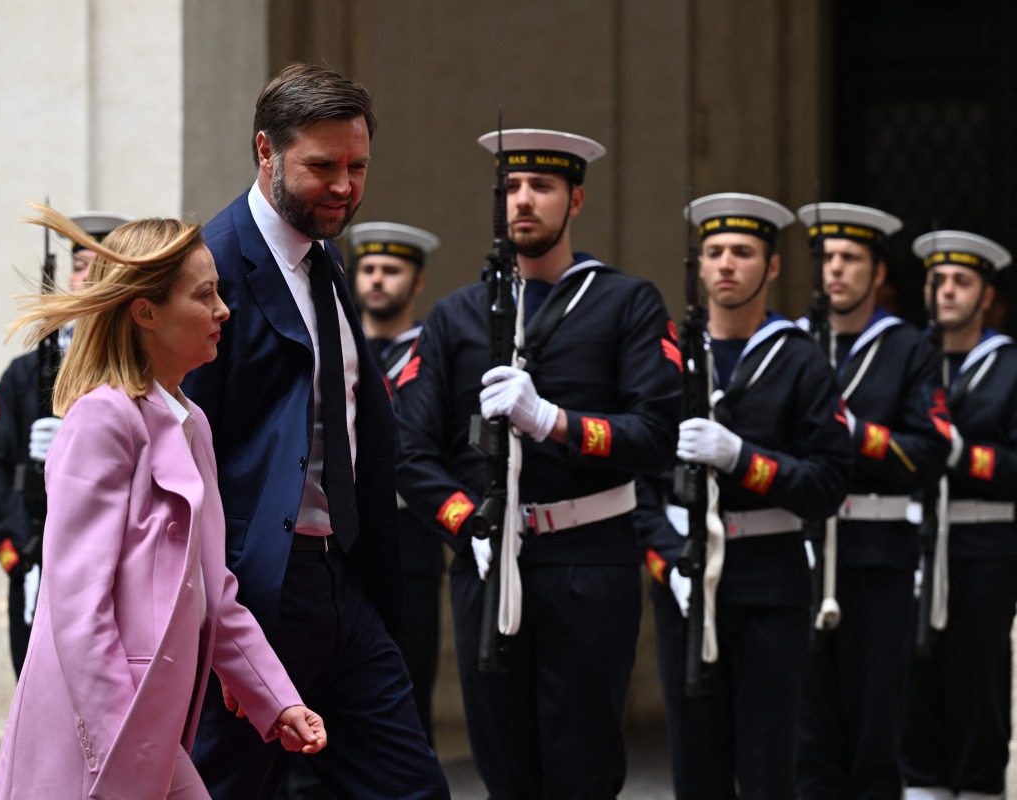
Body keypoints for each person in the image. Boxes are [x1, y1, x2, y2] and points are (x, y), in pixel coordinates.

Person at [0, 204, 326, 800]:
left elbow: (213, 589)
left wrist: (276, 701)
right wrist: (123, 745)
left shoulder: (190, 420)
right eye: (204, 296)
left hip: (147, 734)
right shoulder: (103, 417)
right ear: (145, 311)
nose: (223, 310)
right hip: (98, 738)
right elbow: (78, 608)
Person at [182, 63, 450, 799]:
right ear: (265, 152)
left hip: (343, 575)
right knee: (233, 787)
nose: (344, 186)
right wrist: (218, 617)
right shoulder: (211, 267)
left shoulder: (326, 257)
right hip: (253, 590)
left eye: (357, 166)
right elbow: (183, 457)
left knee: (409, 785)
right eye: (322, 167)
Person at [393, 128, 682, 798]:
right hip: (488, 564)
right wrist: (468, 524)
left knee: (582, 764)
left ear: (575, 199)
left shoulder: (626, 304)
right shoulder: (457, 316)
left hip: (588, 561)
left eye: (542, 187)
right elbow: (410, 449)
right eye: (512, 189)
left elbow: (654, 433)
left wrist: (555, 423)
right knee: (504, 764)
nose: (524, 201)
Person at [655, 193, 852, 798]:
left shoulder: (801, 361)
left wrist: (744, 459)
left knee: (769, 763)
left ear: (771, 267)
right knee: (695, 765)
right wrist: (666, 557)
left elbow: (827, 483)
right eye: (713, 252)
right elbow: (638, 479)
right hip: (688, 580)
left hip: (771, 579)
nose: (725, 265)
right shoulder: (671, 358)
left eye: (743, 252)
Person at [794, 202, 952, 800]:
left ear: (877, 271)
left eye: (850, 259)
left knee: (875, 733)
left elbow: (930, 449)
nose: (835, 270)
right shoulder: (796, 343)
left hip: (878, 557)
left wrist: (857, 435)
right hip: (803, 553)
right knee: (807, 734)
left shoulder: (908, 349)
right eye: (827, 258)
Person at [0, 210, 132, 676]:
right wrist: (19, 561)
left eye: (105, 268)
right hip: (35, 559)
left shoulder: (138, 376)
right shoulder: (25, 376)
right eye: (83, 265)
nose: (90, 278)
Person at [902, 231, 1016, 800]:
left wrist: (961, 454)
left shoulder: (1009, 365)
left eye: (961, 282)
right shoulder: (905, 358)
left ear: (986, 295)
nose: (947, 292)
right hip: (911, 539)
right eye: (938, 281)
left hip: (983, 544)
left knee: (978, 690)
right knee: (913, 687)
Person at [348, 220, 444, 740]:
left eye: (391, 269)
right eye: (368, 269)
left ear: (418, 280)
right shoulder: (336, 345)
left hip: (411, 534)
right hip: (341, 530)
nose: (377, 280)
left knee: (407, 679)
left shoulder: (432, 353)